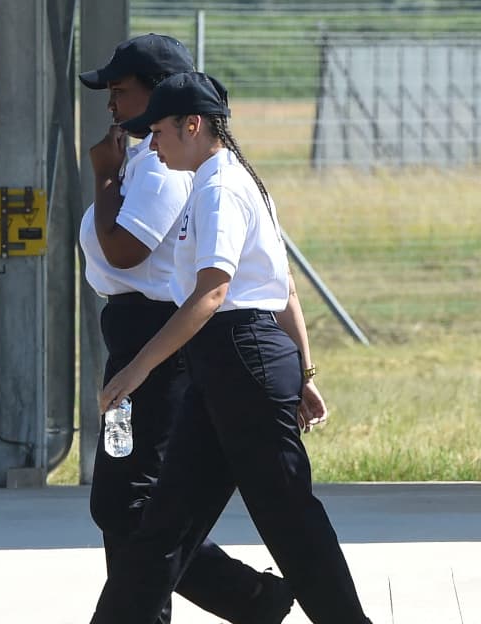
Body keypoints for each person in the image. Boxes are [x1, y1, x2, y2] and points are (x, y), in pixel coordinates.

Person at [91, 72, 370, 624]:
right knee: (165, 524)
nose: (154, 143)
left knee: (290, 520)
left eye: (160, 131)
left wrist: (137, 371)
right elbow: (283, 284)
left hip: (242, 358)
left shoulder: (220, 188)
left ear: (192, 125)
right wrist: (304, 371)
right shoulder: (220, 181)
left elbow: (213, 292)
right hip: (228, 365)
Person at [78, 35, 292, 624]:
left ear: (159, 96)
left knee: (134, 501)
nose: (112, 105)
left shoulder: (161, 162)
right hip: (138, 330)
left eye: (120, 92)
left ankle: (247, 598)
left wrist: (101, 179)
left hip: (157, 332)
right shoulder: (150, 157)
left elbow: (124, 251)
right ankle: (242, 600)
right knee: (132, 503)